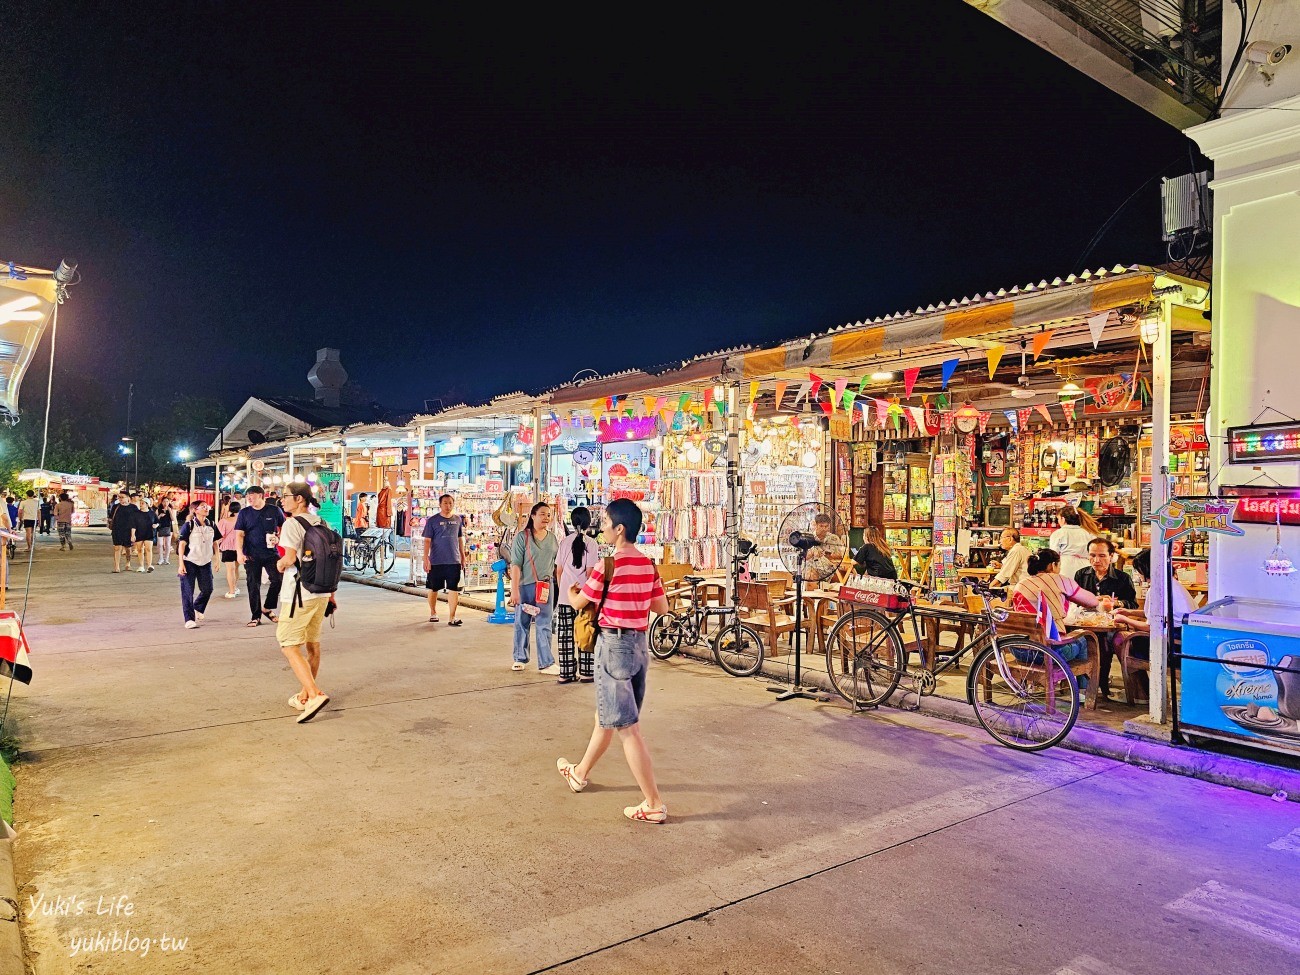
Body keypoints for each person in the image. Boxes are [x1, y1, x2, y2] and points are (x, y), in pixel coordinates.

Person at [556, 498, 669, 824]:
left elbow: (578, 603)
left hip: (613, 647)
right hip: (638, 647)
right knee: (606, 716)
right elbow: (661, 608)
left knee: (627, 728)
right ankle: (579, 773)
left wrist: (577, 590)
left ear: (619, 529)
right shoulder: (648, 566)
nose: (602, 528)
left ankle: (653, 803)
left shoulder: (607, 566)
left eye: (605, 523)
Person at [276, 483, 335, 724]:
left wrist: (279, 565)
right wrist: (331, 594)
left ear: (299, 499)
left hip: (299, 593)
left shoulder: (292, 524)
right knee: (312, 645)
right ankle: (303, 695)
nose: (282, 500)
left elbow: (289, 558)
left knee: (288, 645)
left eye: (285, 496)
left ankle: (314, 694)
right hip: (322, 592)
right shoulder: (322, 522)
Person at [1011, 548, 1111, 681]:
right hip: (1048, 653)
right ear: (1053, 565)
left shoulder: (1021, 584)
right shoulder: (1060, 580)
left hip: (1018, 650)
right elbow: (1092, 601)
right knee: (1084, 639)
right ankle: (1082, 690)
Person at [1111, 548, 1197, 702]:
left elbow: (1151, 627)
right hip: (1184, 640)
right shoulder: (1171, 583)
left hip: (1172, 646)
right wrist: (1128, 612)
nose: (1138, 574)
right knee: (1126, 636)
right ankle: (1143, 693)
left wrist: (1125, 620)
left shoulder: (1157, 588)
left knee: (1121, 639)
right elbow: (1156, 615)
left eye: (1139, 570)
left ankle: (1141, 693)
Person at [508, 501, 561, 675]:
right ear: (533, 516)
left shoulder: (552, 538)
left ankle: (546, 662)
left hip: (545, 587)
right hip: (525, 586)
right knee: (522, 621)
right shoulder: (522, 537)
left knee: (544, 623)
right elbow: (515, 565)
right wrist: (514, 590)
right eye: (542, 514)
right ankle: (519, 658)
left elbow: (556, 564)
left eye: (548, 514)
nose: (547, 518)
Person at [556, 506, 600, 684]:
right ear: (589, 523)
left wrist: (563, 590)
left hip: (566, 597)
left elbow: (558, 570)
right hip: (585, 598)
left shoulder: (564, 542)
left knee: (565, 635)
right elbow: (590, 573)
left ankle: (565, 673)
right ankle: (586, 672)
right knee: (585, 632)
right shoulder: (592, 543)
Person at [235, 485, 286, 628]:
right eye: (248, 496)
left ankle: (267, 607)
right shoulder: (244, 513)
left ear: (261, 496)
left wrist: (279, 538)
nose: (249, 498)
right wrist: (239, 553)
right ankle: (255, 616)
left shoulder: (275, 510)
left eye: (252, 495)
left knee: (277, 579)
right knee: (253, 585)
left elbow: (283, 527)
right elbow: (239, 534)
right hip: (251, 554)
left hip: (271, 553)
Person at [422, 493, 467, 626]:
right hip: (436, 561)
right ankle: (433, 612)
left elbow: (460, 539)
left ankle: (452, 617)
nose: (448, 506)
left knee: (453, 589)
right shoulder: (432, 521)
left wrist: (462, 556)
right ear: (440, 504)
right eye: (445, 503)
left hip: (454, 560)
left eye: (450, 503)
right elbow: (427, 541)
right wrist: (426, 558)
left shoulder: (458, 520)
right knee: (433, 588)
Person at [176, 501, 217, 629]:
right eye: (203, 507)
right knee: (188, 591)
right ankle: (189, 619)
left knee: (208, 589)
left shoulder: (212, 524)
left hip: (205, 561)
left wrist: (217, 559)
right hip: (189, 561)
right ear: (195, 510)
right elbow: (182, 545)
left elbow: (215, 542)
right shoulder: (189, 525)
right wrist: (181, 564)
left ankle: (198, 606)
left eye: (207, 507)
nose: (206, 508)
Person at [1074, 537, 1138, 609]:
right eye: (1092, 555)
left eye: (1102, 556)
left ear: (1111, 556)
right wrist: (1092, 600)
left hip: (1113, 618)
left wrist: (1116, 603)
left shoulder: (1123, 577)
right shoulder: (1081, 575)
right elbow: (1074, 601)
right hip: (1085, 619)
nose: (1096, 560)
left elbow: (1133, 604)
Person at [1049, 506, 1094, 580]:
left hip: (1066, 568)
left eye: (1058, 519)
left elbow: (1053, 555)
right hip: (1086, 568)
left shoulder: (1058, 533)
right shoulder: (1087, 533)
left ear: (1063, 519)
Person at [806, 512, 846, 582]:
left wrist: (831, 556)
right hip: (813, 570)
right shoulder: (808, 538)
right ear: (816, 525)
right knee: (811, 575)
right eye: (821, 526)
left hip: (831, 571)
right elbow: (803, 557)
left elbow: (842, 555)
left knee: (845, 577)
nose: (824, 529)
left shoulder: (834, 538)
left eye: (826, 526)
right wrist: (812, 553)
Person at [217, 501, 242, 599]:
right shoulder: (242, 520)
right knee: (236, 568)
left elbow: (219, 535)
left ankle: (232, 591)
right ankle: (234, 587)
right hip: (240, 547)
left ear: (229, 509)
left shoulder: (224, 521)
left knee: (230, 569)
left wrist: (216, 545)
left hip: (227, 547)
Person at [109, 491, 137, 572]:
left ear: (128, 498)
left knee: (128, 548)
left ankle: (128, 563)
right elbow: (111, 517)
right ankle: (117, 567)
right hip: (117, 530)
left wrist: (133, 533)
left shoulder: (133, 507)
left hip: (128, 531)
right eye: (119, 497)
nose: (120, 499)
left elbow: (135, 521)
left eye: (122, 497)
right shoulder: (116, 507)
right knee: (117, 548)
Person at [132, 493, 157, 572]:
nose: (141, 505)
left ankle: (149, 565)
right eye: (140, 503)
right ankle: (141, 566)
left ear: (147, 504)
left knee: (148, 549)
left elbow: (157, 521)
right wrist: (132, 535)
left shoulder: (152, 513)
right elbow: (134, 525)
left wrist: (156, 525)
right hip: (139, 533)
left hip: (149, 533)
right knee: (139, 549)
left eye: (142, 503)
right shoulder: (136, 514)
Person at [154, 497, 177, 565]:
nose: (165, 503)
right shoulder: (158, 510)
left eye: (167, 501)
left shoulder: (171, 510)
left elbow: (173, 519)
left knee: (167, 544)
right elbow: (155, 520)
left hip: (168, 528)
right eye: (164, 501)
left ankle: (166, 559)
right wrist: (160, 516)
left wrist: (169, 511)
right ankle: (161, 558)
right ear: (161, 502)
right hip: (160, 528)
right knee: (160, 544)